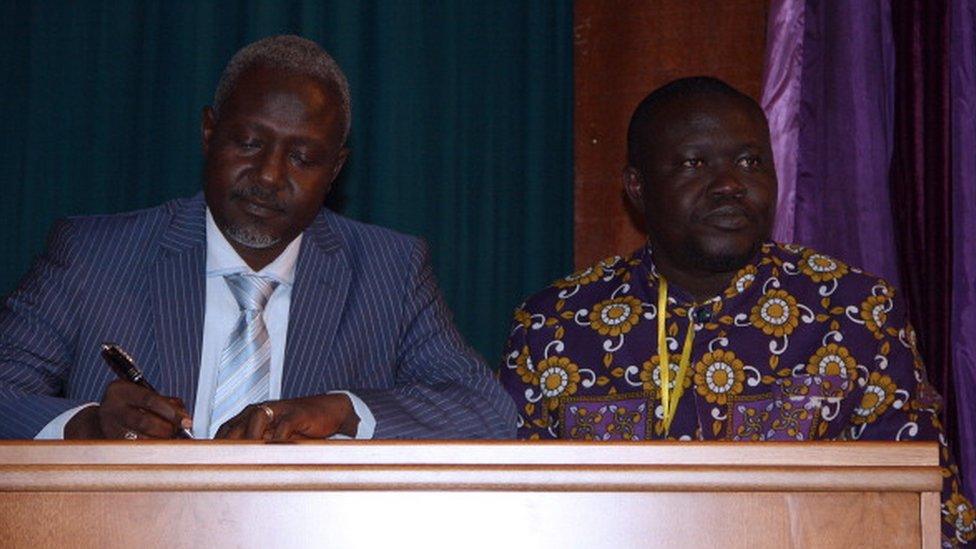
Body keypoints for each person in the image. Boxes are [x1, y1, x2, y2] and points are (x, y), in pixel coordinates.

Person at [499, 77, 974, 545]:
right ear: (637, 187)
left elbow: (932, 515)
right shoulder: (554, 327)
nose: (729, 184)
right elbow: (509, 516)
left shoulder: (854, 313)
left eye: (750, 161)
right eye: (694, 162)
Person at [0, 35, 515, 442]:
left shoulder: (389, 270)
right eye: (249, 142)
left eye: (302, 157)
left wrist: (337, 411)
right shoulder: (93, 256)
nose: (268, 176)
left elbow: (486, 409)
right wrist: (86, 426)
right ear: (209, 132)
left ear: (335, 168)